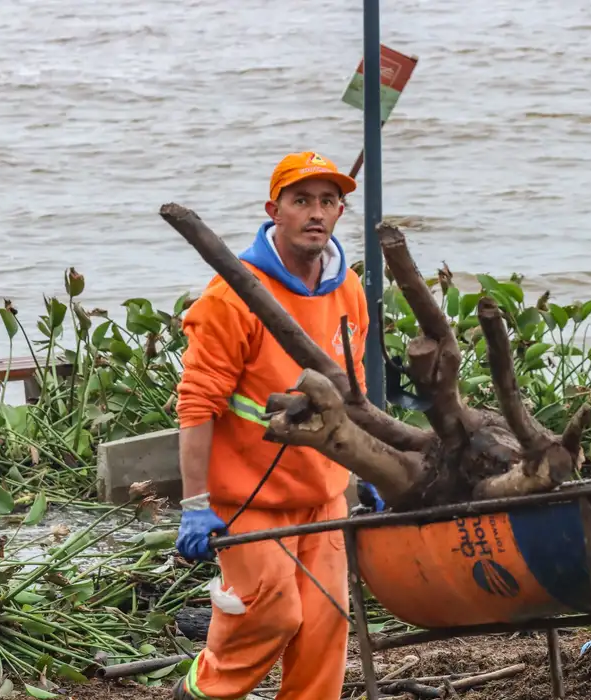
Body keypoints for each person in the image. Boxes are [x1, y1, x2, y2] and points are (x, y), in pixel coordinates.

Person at [171, 151, 382, 699]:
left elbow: (353, 392)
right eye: (301, 200)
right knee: (270, 615)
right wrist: (195, 507)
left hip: (324, 494)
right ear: (275, 210)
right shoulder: (231, 297)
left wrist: (372, 467)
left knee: (325, 626)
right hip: (248, 501)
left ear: (340, 212)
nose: (316, 212)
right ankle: (199, 692)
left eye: (328, 201)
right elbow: (196, 407)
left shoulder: (348, 288)